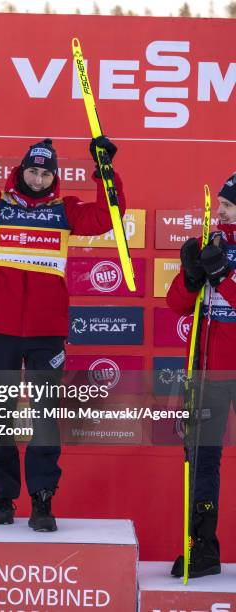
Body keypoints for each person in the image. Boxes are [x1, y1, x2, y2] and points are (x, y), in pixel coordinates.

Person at [0, 109, 126, 531]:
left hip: (46, 331)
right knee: (2, 414)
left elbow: (109, 215)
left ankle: (43, 500)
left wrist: (105, 171)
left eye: (45, 174)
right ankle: (4, 498)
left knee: (45, 415)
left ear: (54, 177)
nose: (38, 179)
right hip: (0, 328)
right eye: (32, 171)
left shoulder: (66, 209)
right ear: (21, 171)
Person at [167, 172, 236, 578]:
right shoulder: (213, 244)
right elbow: (176, 305)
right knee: (203, 462)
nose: (221, 211)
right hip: (209, 370)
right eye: (221, 205)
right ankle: (203, 548)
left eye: (228, 206)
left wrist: (224, 277)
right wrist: (191, 276)